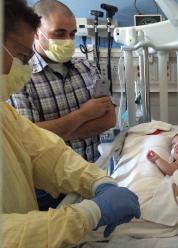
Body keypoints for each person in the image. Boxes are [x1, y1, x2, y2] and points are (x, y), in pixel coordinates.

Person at [0, 0, 140, 247]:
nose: (23, 67)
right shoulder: (24, 82)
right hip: (44, 197)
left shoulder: (3, 114)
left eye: (73, 34)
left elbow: (44, 149)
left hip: (78, 173)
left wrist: (98, 181)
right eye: (22, 56)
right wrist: (87, 215)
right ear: (38, 34)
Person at [8, 0, 116, 209]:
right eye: (59, 33)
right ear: (36, 32)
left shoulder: (86, 67)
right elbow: (27, 139)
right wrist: (83, 115)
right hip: (46, 189)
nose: (68, 40)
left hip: (90, 175)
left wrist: (53, 131)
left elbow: (109, 119)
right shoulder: (19, 76)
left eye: (72, 34)